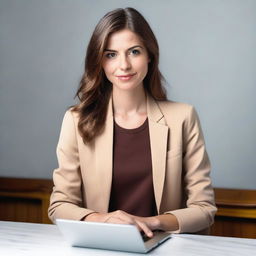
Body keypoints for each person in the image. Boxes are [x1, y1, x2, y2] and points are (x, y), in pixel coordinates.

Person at [48, 7, 216, 237]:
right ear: (99, 61)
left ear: (150, 55)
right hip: (102, 246)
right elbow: (59, 206)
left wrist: (150, 222)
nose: (124, 65)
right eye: (111, 54)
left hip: (165, 245)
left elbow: (204, 209)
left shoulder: (183, 117)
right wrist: (103, 220)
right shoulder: (76, 120)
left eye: (134, 52)